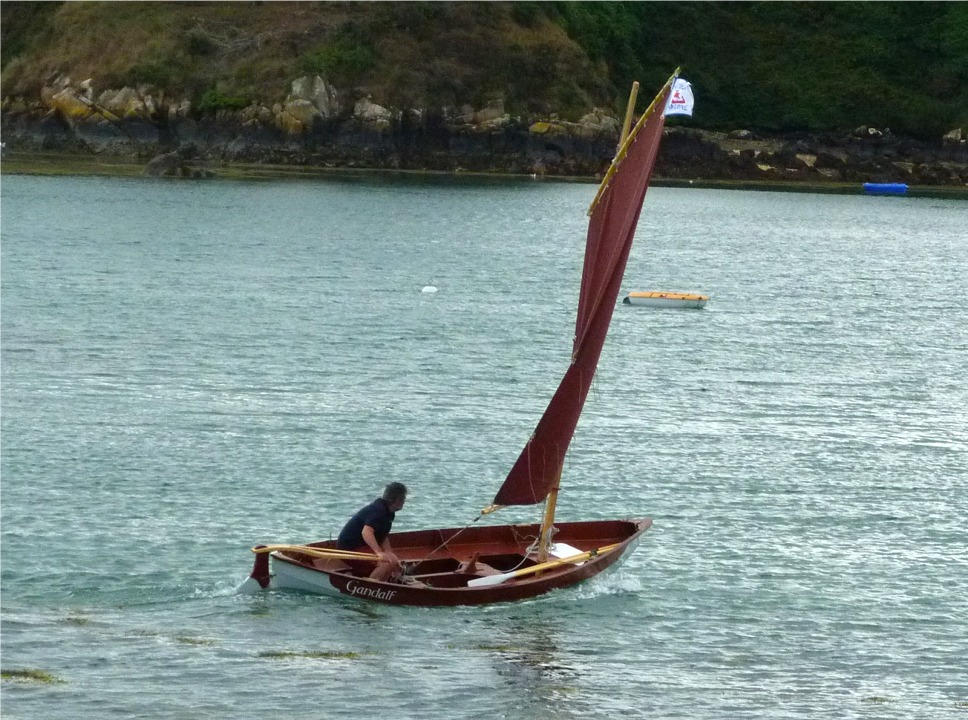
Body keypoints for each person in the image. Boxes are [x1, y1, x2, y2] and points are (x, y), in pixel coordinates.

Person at [337, 482, 407, 582]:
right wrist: (378, 552)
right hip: (350, 547)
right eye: (402, 499)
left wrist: (390, 553)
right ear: (394, 500)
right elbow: (366, 532)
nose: (404, 501)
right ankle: (370, 586)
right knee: (386, 563)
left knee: (392, 561)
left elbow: (382, 536)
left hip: (363, 546)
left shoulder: (389, 513)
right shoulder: (378, 511)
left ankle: (381, 582)